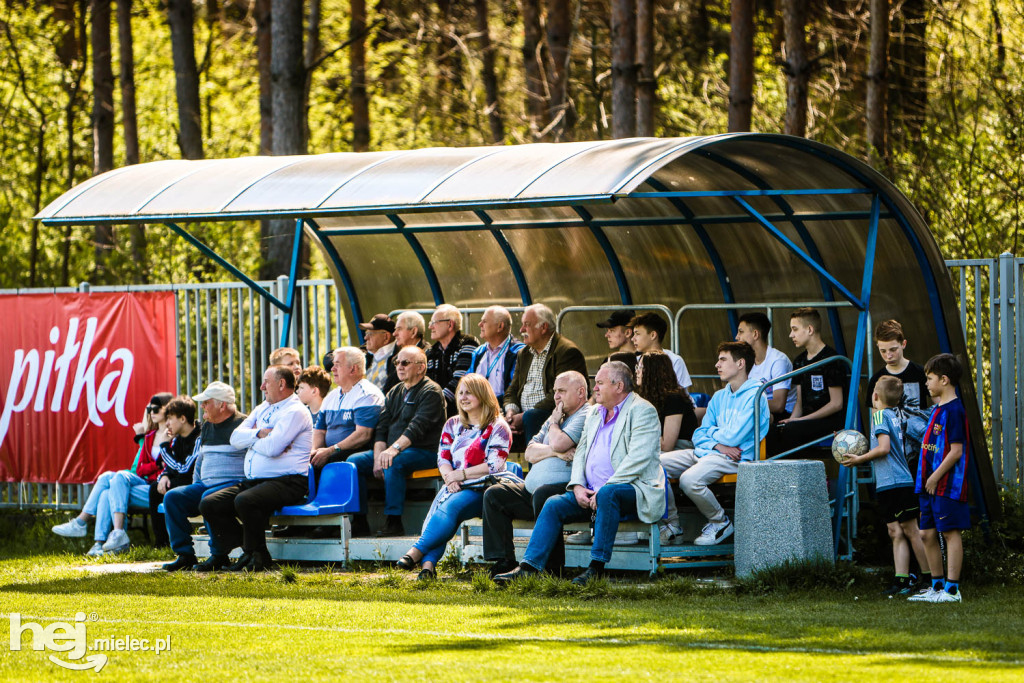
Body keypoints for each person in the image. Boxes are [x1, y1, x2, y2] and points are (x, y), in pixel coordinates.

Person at [494, 361, 664, 586]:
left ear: (619, 386)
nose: (595, 388)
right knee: (553, 503)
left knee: (608, 494)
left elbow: (638, 459)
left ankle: (596, 568)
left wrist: (604, 487)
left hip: (632, 490)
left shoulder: (643, 411)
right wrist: (577, 485)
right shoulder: (595, 413)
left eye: (600, 383)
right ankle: (528, 567)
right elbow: (581, 453)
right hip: (590, 492)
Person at [397, 374, 513, 580]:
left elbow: (495, 465)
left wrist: (460, 475)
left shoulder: (498, 426)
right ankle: (428, 567)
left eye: (469, 392)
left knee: (450, 507)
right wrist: (450, 477)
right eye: (460, 393)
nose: (463, 397)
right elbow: (442, 457)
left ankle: (415, 552)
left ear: (482, 395)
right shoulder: (453, 424)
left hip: (486, 489)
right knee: (441, 510)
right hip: (456, 484)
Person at [199, 365, 313, 572]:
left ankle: (255, 555)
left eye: (266, 382)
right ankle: (251, 549)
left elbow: (272, 448)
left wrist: (250, 440)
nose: (261, 387)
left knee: (245, 500)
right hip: (257, 482)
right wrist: (260, 433)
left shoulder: (296, 411)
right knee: (210, 503)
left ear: (281, 384)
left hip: (289, 481)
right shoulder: (262, 408)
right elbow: (234, 438)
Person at [482, 370, 591, 578]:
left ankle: (551, 569)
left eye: (561, 391)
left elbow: (560, 441)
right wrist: (555, 451)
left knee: (544, 494)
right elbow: (530, 452)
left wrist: (553, 430)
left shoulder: (585, 414)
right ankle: (504, 561)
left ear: (580, 392)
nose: (556, 396)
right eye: (555, 391)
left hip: (567, 489)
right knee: (495, 494)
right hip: (532, 489)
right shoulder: (555, 417)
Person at [660, 342, 770, 546]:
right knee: (654, 464)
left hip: (736, 458)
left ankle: (720, 521)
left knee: (689, 479)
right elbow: (698, 435)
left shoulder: (756, 396)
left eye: (723, 359)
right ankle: (672, 525)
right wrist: (716, 444)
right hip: (709, 452)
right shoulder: (719, 396)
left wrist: (714, 439)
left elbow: (733, 437)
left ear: (740, 363)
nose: (716, 365)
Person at [51, 392, 173, 556]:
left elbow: (166, 466)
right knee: (107, 487)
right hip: (145, 483)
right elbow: (140, 469)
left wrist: (153, 463)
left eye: (156, 409)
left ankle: (91, 527)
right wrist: (156, 463)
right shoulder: (150, 436)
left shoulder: (171, 436)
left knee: (117, 480)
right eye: (149, 409)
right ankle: (101, 542)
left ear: (167, 410)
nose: (151, 412)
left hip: (156, 489)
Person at [840, 376, 929, 596]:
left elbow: (884, 448)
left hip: (897, 482)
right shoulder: (892, 415)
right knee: (895, 531)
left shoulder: (879, 414)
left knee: (910, 530)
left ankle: (930, 578)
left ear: (875, 396)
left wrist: (860, 460)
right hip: (889, 483)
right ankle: (902, 580)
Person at [347, 345, 446, 537]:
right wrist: (378, 456)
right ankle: (359, 520)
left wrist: (392, 450)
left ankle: (394, 521)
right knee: (354, 461)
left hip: (424, 451)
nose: (399, 366)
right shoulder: (395, 391)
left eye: (405, 363)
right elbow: (382, 427)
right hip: (394, 450)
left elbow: (416, 428)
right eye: (397, 362)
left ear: (421, 367)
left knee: (394, 462)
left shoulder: (431, 391)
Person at [160, 382, 247, 572]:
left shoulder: (244, 424)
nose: (202, 407)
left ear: (222, 405)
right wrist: (196, 483)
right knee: (172, 497)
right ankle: (185, 555)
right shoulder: (207, 427)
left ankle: (219, 556)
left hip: (232, 485)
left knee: (208, 499)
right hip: (204, 484)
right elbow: (201, 458)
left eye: (206, 402)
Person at [908, 354, 972, 604]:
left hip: (945, 485)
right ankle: (936, 586)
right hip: (927, 484)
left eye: (930, 378)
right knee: (926, 534)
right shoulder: (937, 408)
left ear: (944, 380)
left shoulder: (955, 410)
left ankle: (952, 590)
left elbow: (956, 451)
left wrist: (934, 477)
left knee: (950, 533)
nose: (926, 383)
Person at [310, 347, 385, 508]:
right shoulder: (331, 396)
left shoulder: (367, 394)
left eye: (337, 364)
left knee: (336, 460)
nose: (332, 369)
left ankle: (353, 519)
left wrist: (330, 450)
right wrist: (316, 450)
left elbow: (362, 436)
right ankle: (311, 514)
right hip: (333, 450)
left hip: (359, 450)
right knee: (309, 460)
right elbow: (319, 430)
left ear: (353, 368)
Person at [635, 351, 698, 544]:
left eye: (640, 367)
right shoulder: (645, 398)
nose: (636, 371)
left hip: (681, 448)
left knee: (651, 464)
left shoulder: (674, 398)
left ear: (653, 372)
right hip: (656, 448)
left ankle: (671, 523)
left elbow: (668, 444)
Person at [503, 303, 588, 445]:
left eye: (527, 324)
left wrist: (524, 417)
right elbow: (513, 389)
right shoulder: (524, 353)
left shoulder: (566, 352)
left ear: (543, 328)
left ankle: (537, 465)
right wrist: (511, 413)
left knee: (532, 417)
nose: (521, 329)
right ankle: (487, 465)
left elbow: (560, 396)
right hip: (524, 415)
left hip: (553, 414)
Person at [770, 308, 849, 455]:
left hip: (830, 421)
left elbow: (836, 404)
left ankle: (804, 475)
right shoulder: (799, 361)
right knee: (775, 429)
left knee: (793, 431)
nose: (790, 335)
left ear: (810, 329)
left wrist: (800, 421)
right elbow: (800, 402)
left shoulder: (832, 359)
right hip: (806, 420)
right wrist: (792, 419)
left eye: (795, 329)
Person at [866, 319, 930, 470]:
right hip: (892, 454)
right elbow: (875, 420)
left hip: (921, 450)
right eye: (883, 351)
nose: (888, 355)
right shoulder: (876, 380)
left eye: (893, 349)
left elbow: (938, 408)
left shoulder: (920, 373)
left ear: (904, 344)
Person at [147, 396, 201, 550]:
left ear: (183, 419)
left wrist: (164, 447)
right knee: (155, 488)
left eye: (170, 418)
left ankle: (180, 542)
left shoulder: (198, 437)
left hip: (194, 484)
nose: (167, 423)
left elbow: (185, 469)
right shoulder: (177, 439)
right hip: (180, 481)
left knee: (169, 491)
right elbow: (171, 466)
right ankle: (161, 543)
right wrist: (164, 475)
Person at [734, 311, 795, 418]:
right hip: (759, 411)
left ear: (755, 334)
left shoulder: (778, 361)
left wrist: (745, 403)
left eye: (741, 332)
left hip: (784, 416)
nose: (737, 337)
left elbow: (778, 405)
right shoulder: (746, 362)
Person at [426, 304, 479, 417]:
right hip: (434, 409)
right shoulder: (431, 352)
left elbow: (460, 381)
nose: (430, 327)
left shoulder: (468, 343)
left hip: (460, 412)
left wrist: (434, 403)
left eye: (434, 323)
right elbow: (426, 382)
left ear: (450, 324)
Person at [464, 305, 524, 404]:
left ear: (500, 326)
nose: (480, 324)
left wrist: (487, 404)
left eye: (484, 321)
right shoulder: (478, 352)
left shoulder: (518, 352)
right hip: (476, 408)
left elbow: (514, 389)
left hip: (502, 408)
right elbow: (467, 382)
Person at [630, 312, 692, 392]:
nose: (633, 339)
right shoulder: (635, 360)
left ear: (653, 335)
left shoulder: (675, 360)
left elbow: (683, 395)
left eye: (637, 334)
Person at [384, 311, 429, 393]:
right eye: (395, 329)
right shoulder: (395, 359)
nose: (394, 334)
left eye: (399, 329)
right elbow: (388, 391)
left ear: (414, 332)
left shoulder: (428, 355)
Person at [360, 313, 397, 390]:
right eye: (366, 333)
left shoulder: (398, 358)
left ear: (386, 337)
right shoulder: (366, 353)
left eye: (370, 334)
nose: (365, 337)